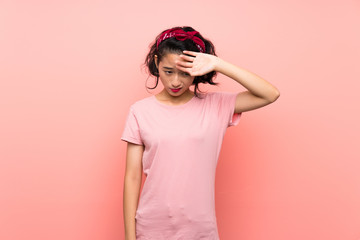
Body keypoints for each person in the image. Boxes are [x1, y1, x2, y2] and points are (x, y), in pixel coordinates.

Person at [121, 26, 280, 240]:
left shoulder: (216, 106)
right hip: (151, 228)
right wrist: (130, 238)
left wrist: (218, 64)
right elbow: (132, 177)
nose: (176, 81)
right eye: (168, 71)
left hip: (199, 230)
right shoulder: (139, 111)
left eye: (185, 73)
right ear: (157, 63)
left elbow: (270, 94)